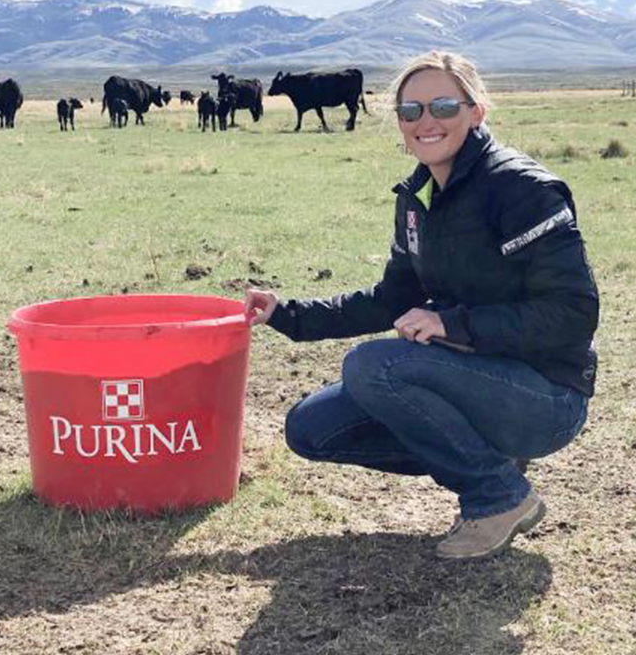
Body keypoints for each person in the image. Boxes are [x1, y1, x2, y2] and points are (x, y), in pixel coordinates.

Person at [244, 51, 599, 560]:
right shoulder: (419, 197)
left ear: (477, 112)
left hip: (545, 395)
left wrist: (451, 322)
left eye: (443, 106)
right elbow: (392, 299)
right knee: (312, 428)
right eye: (410, 111)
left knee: (373, 366)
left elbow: (573, 313)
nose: (425, 122)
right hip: (474, 378)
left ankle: (498, 497)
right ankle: (493, 460)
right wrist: (287, 314)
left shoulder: (522, 191)